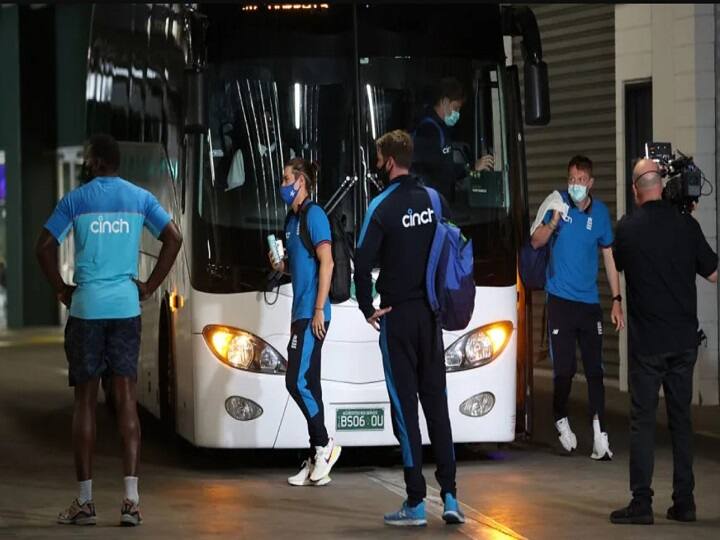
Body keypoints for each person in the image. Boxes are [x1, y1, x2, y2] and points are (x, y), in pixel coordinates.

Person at [35, 134, 183, 526]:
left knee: (85, 403)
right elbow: (174, 238)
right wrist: (149, 286)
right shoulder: (138, 198)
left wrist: (61, 289)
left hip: (86, 310)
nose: (86, 164)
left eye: (88, 158)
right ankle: (131, 502)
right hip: (125, 307)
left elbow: (44, 246)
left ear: (99, 162)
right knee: (127, 400)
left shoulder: (76, 200)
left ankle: (85, 503)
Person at [354, 130, 463, 527]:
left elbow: (362, 262)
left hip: (396, 318)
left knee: (406, 412)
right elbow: (454, 245)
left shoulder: (380, 207)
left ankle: (416, 503)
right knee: (438, 407)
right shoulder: (435, 201)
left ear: (386, 161)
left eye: (379, 158)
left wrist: (368, 307)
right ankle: (450, 497)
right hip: (431, 317)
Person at [610, 159, 718, 525]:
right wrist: (687, 221)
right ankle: (684, 502)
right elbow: (714, 272)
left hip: (648, 344)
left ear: (637, 189)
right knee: (681, 421)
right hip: (683, 342)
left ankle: (642, 503)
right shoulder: (686, 225)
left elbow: (618, 262)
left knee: (642, 422)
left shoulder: (627, 228)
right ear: (663, 184)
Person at [530, 155, 624, 460]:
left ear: (591, 183)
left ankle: (600, 435)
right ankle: (560, 417)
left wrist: (617, 300)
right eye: (572, 179)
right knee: (566, 369)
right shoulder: (558, 203)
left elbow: (609, 258)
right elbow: (535, 242)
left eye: (581, 180)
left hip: (589, 304)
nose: (576, 185)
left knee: (595, 369)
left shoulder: (600, 214)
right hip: (559, 301)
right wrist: (553, 222)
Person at [269, 157, 341, 486]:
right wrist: (279, 264)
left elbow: (327, 263)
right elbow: (295, 267)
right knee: (310, 384)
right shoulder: (291, 221)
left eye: (287, 179)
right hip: (300, 314)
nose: (282, 184)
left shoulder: (315, 216)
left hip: (313, 314)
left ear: (301, 182)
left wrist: (318, 310)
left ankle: (324, 445)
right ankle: (316, 457)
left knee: (295, 382)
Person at [411, 76, 493, 203]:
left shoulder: (441, 128)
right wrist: (471, 167)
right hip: (430, 204)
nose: (458, 113)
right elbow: (439, 169)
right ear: (444, 102)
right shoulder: (428, 130)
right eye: (456, 108)